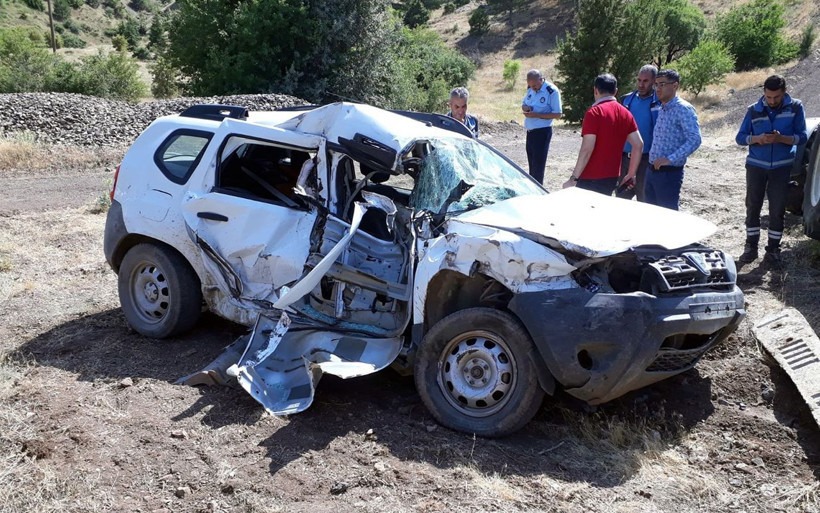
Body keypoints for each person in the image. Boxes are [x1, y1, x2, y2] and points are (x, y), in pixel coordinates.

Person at [735, 74, 808, 268]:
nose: (772, 101)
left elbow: (802, 137)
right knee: (753, 206)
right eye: (768, 97)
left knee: (777, 210)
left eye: (776, 97)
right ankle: (750, 247)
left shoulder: (795, 107)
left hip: (782, 167)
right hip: (756, 166)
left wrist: (781, 139)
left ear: (784, 93)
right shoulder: (753, 110)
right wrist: (757, 139)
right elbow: (740, 138)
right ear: (764, 94)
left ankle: (773, 250)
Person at [563, 73, 643, 195]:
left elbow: (587, 149)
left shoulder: (594, 113)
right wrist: (631, 173)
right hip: (612, 176)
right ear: (615, 91)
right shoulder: (625, 113)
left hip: (590, 176)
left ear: (595, 90)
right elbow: (638, 144)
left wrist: (573, 178)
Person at [646, 69, 701, 210]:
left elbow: (695, 139)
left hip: (669, 173)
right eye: (656, 85)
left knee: (668, 217)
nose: (658, 89)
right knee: (650, 215)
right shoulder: (662, 107)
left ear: (675, 85)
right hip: (652, 171)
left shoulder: (683, 109)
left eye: (662, 84)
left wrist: (670, 159)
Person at [617, 64, 661, 201]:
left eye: (645, 81)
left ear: (654, 82)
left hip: (646, 160)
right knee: (621, 198)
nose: (641, 85)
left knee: (644, 200)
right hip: (624, 159)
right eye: (639, 80)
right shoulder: (626, 100)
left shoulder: (659, 103)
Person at [522, 69, 562, 184]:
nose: (533, 88)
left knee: (538, 168)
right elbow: (524, 104)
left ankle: (538, 191)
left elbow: (558, 114)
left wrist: (538, 115)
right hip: (530, 131)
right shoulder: (530, 88)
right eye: (530, 86)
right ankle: (532, 188)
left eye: (534, 85)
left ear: (541, 79)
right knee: (532, 165)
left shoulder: (551, 91)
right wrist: (526, 108)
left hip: (542, 132)